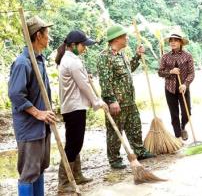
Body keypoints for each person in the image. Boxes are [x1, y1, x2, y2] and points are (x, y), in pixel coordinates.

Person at [8, 16, 56, 196]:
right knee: (29, 172)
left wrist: (47, 114)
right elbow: (15, 95)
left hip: (42, 127)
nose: (49, 37)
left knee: (40, 167)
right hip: (29, 128)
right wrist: (38, 113)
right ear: (38, 35)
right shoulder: (23, 62)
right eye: (47, 33)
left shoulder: (39, 60)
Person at [55, 30, 108, 193]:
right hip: (74, 107)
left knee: (75, 142)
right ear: (73, 45)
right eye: (83, 45)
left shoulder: (70, 59)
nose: (85, 48)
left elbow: (82, 80)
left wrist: (87, 77)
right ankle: (64, 182)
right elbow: (83, 86)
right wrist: (97, 102)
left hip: (73, 107)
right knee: (73, 144)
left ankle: (76, 174)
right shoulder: (72, 62)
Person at [97, 24, 155, 169]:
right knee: (115, 132)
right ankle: (115, 159)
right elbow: (105, 81)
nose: (127, 38)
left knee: (135, 126)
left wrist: (137, 56)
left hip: (129, 100)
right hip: (117, 102)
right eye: (125, 36)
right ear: (117, 39)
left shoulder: (122, 54)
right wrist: (111, 100)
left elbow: (129, 69)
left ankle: (139, 151)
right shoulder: (105, 57)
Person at [158, 33, 195, 141]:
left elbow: (191, 73)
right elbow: (160, 72)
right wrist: (170, 71)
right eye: (171, 40)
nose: (173, 42)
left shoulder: (187, 56)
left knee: (187, 112)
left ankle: (183, 127)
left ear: (181, 42)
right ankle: (178, 136)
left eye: (176, 40)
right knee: (174, 114)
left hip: (183, 88)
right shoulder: (165, 57)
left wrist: (185, 84)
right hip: (170, 88)